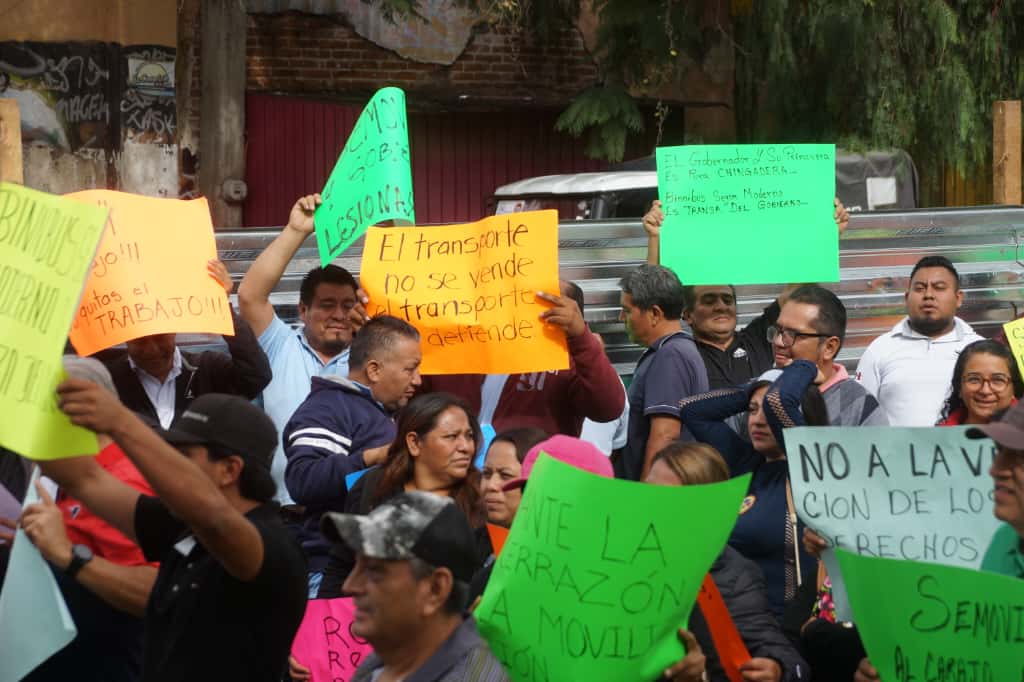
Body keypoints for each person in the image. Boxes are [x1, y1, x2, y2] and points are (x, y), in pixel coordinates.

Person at [43, 384, 307, 682]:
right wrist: (23, 416)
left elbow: (215, 520)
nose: (164, 467)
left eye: (182, 455)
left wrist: (120, 421)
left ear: (230, 470)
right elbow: (85, 480)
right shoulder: (182, 525)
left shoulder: (273, 546)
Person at [1, 357, 157, 682]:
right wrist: (40, 553)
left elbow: (152, 594)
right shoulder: (83, 475)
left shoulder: (125, 482)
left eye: (35, 418)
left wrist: (66, 556)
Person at [855, 383, 1024, 682]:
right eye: (999, 454)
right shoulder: (1004, 541)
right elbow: (974, 647)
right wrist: (907, 667)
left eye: (1016, 459)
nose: (996, 470)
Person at [237, 193, 367, 507]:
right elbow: (250, 296)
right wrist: (297, 231)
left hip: (353, 509)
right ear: (303, 310)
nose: (339, 314)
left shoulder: (371, 359)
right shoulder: (280, 345)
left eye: (347, 305)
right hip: (286, 508)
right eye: (327, 305)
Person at [645, 441, 810, 682]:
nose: (652, 505)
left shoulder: (732, 574)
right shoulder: (612, 554)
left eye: (669, 498)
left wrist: (776, 669)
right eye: (648, 491)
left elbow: (790, 661)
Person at [642, 198, 849, 388]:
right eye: (709, 300)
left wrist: (828, 235)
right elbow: (653, 308)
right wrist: (655, 239)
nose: (721, 306)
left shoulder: (756, 340)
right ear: (687, 314)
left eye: (727, 299)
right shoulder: (680, 353)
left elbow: (795, 289)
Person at [283, 315, 422, 594]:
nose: (418, 380)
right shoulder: (329, 408)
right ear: (374, 370)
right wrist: (372, 458)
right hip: (330, 574)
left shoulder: (379, 413)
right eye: (411, 369)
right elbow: (303, 480)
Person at [681, 360, 828, 621]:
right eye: (751, 410)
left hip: (790, 630)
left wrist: (805, 366)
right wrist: (752, 389)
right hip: (741, 623)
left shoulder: (810, 468)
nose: (757, 421)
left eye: (767, 413)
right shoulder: (747, 465)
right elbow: (691, 409)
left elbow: (779, 401)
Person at [321, 492, 511, 682]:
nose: (350, 585)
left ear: (436, 589)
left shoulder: (468, 677)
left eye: (374, 571)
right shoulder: (384, 662)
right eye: (356, 565)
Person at [316, 392, 489, 598]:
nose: (465, 447)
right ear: (414, 443)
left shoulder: (484, 498)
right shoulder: (373, 486)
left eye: (469, 436)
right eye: (451, 437)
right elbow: (341, 566)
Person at [416, 279, 624, 438]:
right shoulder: (458, 348)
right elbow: (407, 394)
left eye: (552, 301)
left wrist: (582, 339)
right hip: (458, 482)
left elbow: (608, 408)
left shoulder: (570, 363)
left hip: (527, 484)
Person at [100, 259, 272, 428]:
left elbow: (256, 376)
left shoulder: (206, 369)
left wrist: (222, 308)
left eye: (160, 337)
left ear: (174, 330)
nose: (151, 350)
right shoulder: (106, 381)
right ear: (125, 337)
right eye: (140, 341)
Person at [856, 255, 983, 425]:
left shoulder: (978, 348)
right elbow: (858, 416)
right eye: (920, 288)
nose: (929, 295)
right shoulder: (880, 349)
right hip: (895, 451)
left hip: (962, 450)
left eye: (939, 287)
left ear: (958, 298)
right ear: (907, 297)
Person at [617, 264, 708, 481]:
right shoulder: (675, 350)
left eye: (627, 310)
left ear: (655, 314)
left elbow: (665, 435)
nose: (622, 317)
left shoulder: (671, 355)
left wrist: (648, 498)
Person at [772, 285, 887, 427]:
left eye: (792, 334)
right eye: (778, 330)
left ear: (829, 347)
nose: (778, 342)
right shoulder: (759, 392)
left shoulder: (861, 407)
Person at [938, 339, 1022, 425]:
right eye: (974, 379)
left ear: (1014, 388)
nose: (985, 391)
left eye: (998, 380)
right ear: (959, 387)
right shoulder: (939, 436)